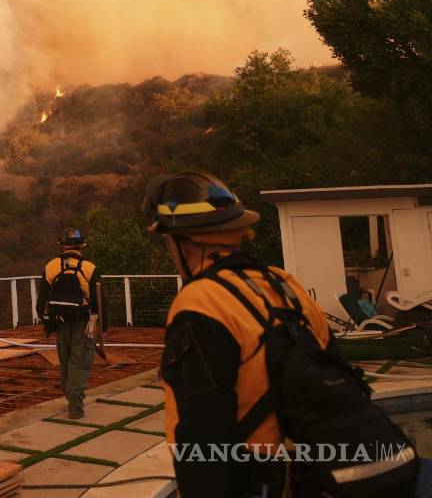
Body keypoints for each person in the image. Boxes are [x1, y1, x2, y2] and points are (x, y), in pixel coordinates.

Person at [145, 171, 419, 497]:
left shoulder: (199, 302)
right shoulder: (284, 286)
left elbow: (202, 437)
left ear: (183, 242)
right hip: (314, 475)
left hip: (260, 482)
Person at [36, 227, 101, 419]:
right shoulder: (90, 268)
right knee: (80, 363)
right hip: (83, 322)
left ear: (62, 246)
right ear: (81, 246)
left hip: (59, 323)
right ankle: (75, 408)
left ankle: (69, 394)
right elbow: (99, 302)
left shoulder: (51, 266)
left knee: (65, 362)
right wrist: (101, 327)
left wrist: (46, 324)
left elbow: (41, 301)